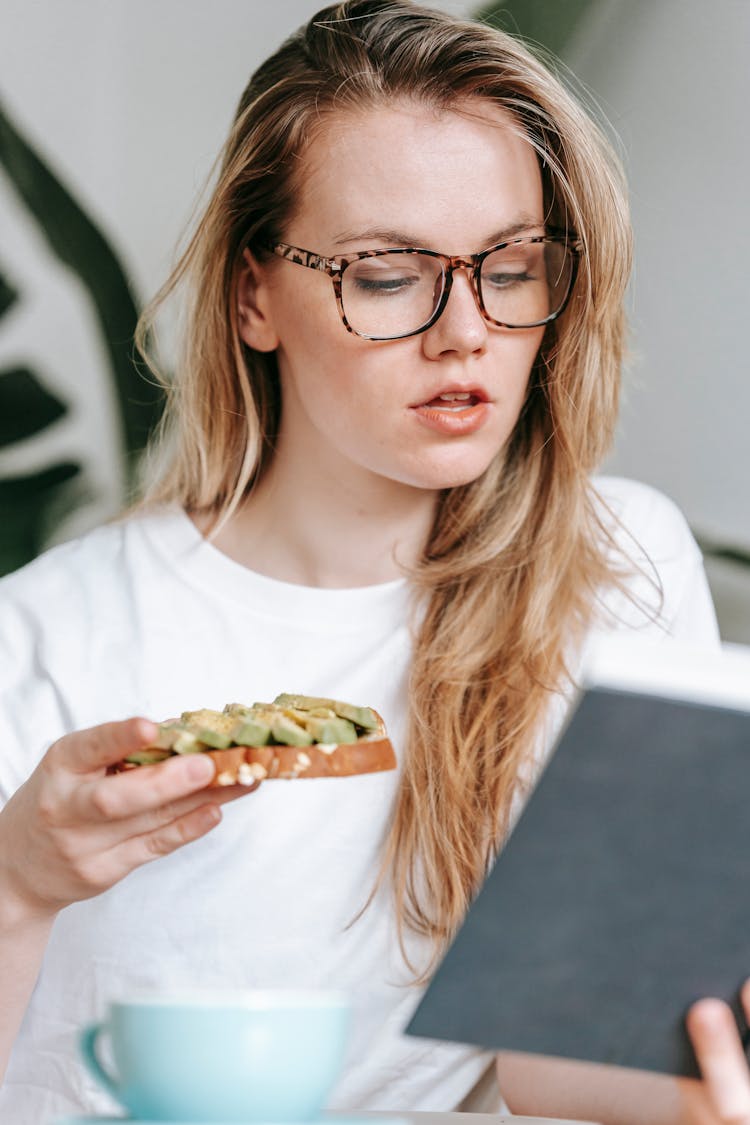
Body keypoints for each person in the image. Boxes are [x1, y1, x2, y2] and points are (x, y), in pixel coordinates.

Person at [0, 1, 747, 1121]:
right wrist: (18, 884)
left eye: (510, 266)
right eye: (389, 275)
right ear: (254, 294)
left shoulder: (616, 562)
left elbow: (563, 1073)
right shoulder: (48, 633)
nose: (465, 333)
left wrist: (701, 1063)